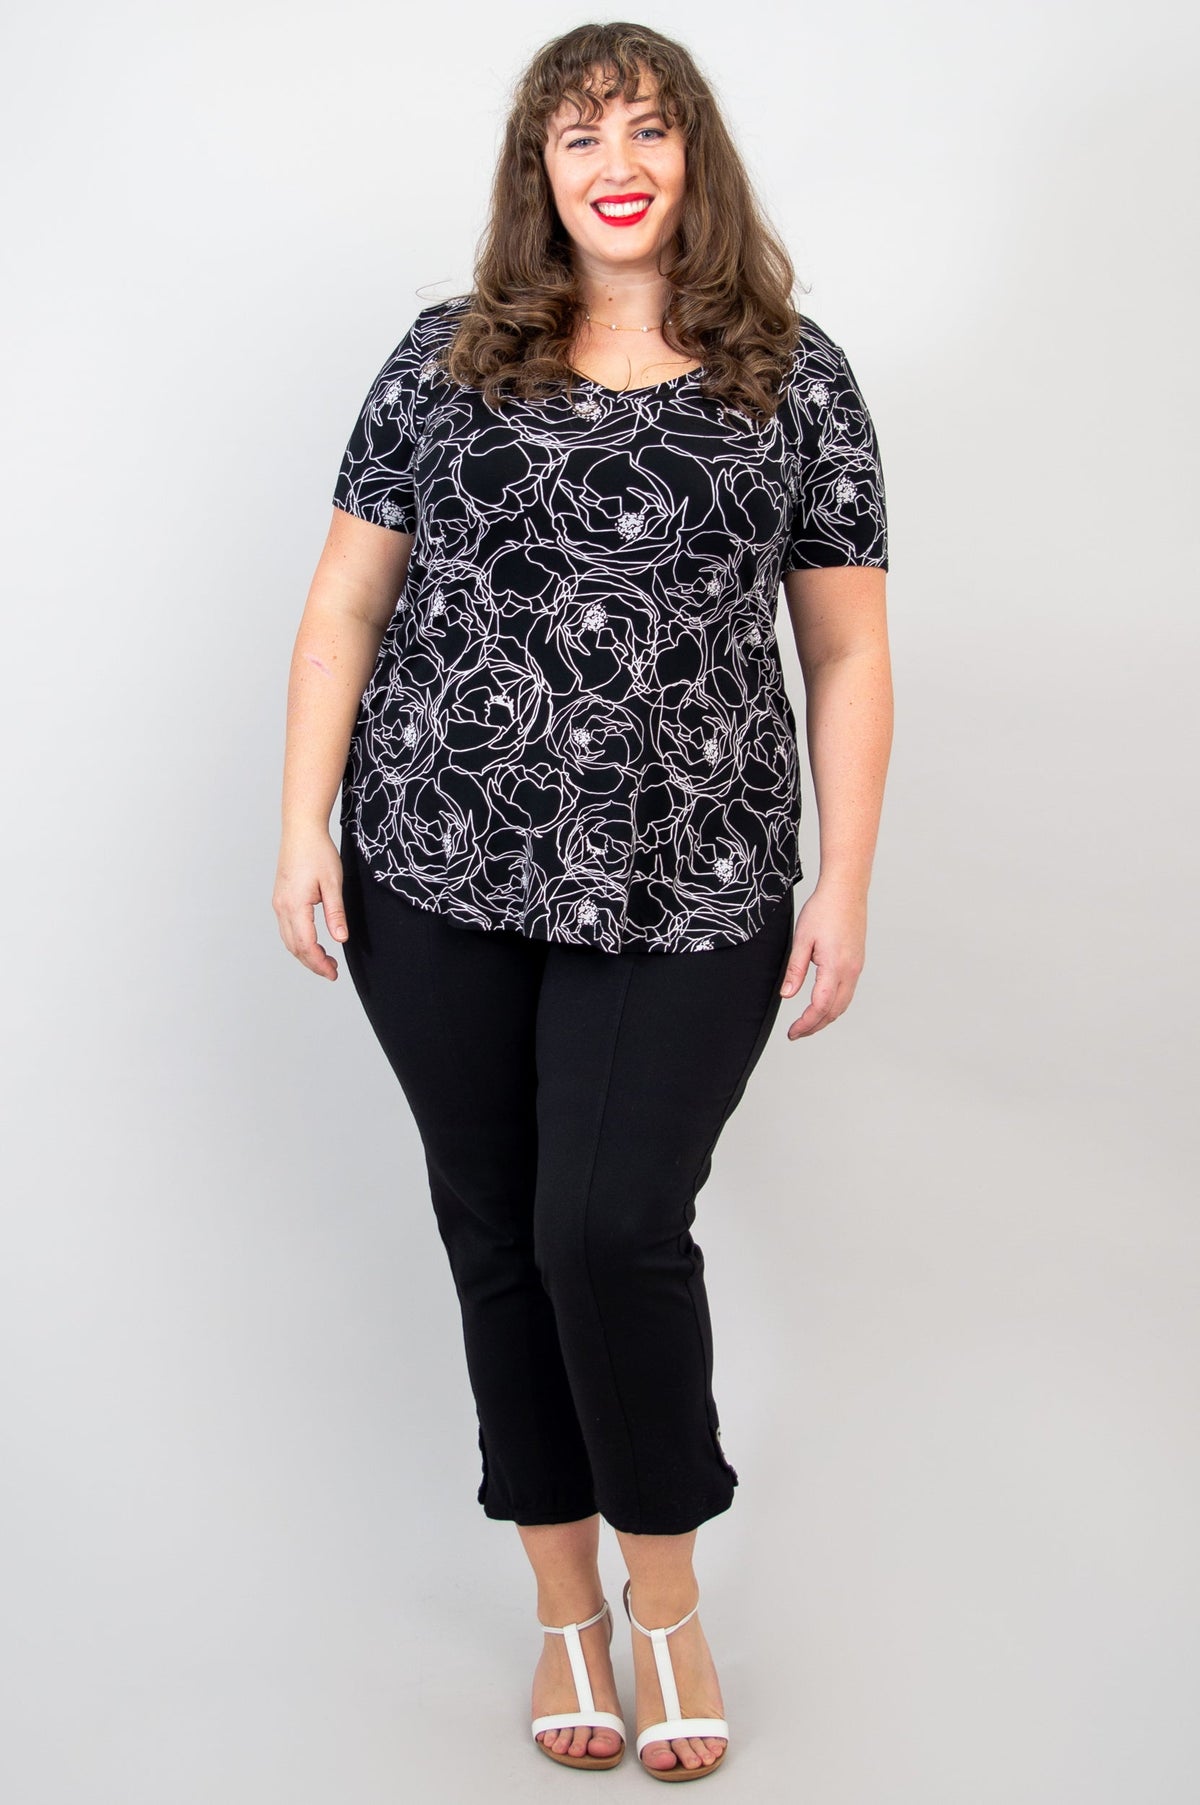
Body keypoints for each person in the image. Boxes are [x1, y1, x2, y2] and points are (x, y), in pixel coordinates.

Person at [273, 19, 892, 1783]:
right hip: (438, 859)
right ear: (535, 173)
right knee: (497, 1231)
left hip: (694, 877)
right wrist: (302, 820)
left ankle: (667, 1598)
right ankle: (564, 1608)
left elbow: (847, 650)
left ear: (695, 156)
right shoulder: (445, 357)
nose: (615, 164)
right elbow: (346, 605)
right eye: (577, 136)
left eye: (646, 129)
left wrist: (846, 878)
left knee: (607, 1227)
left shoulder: (792, 372)